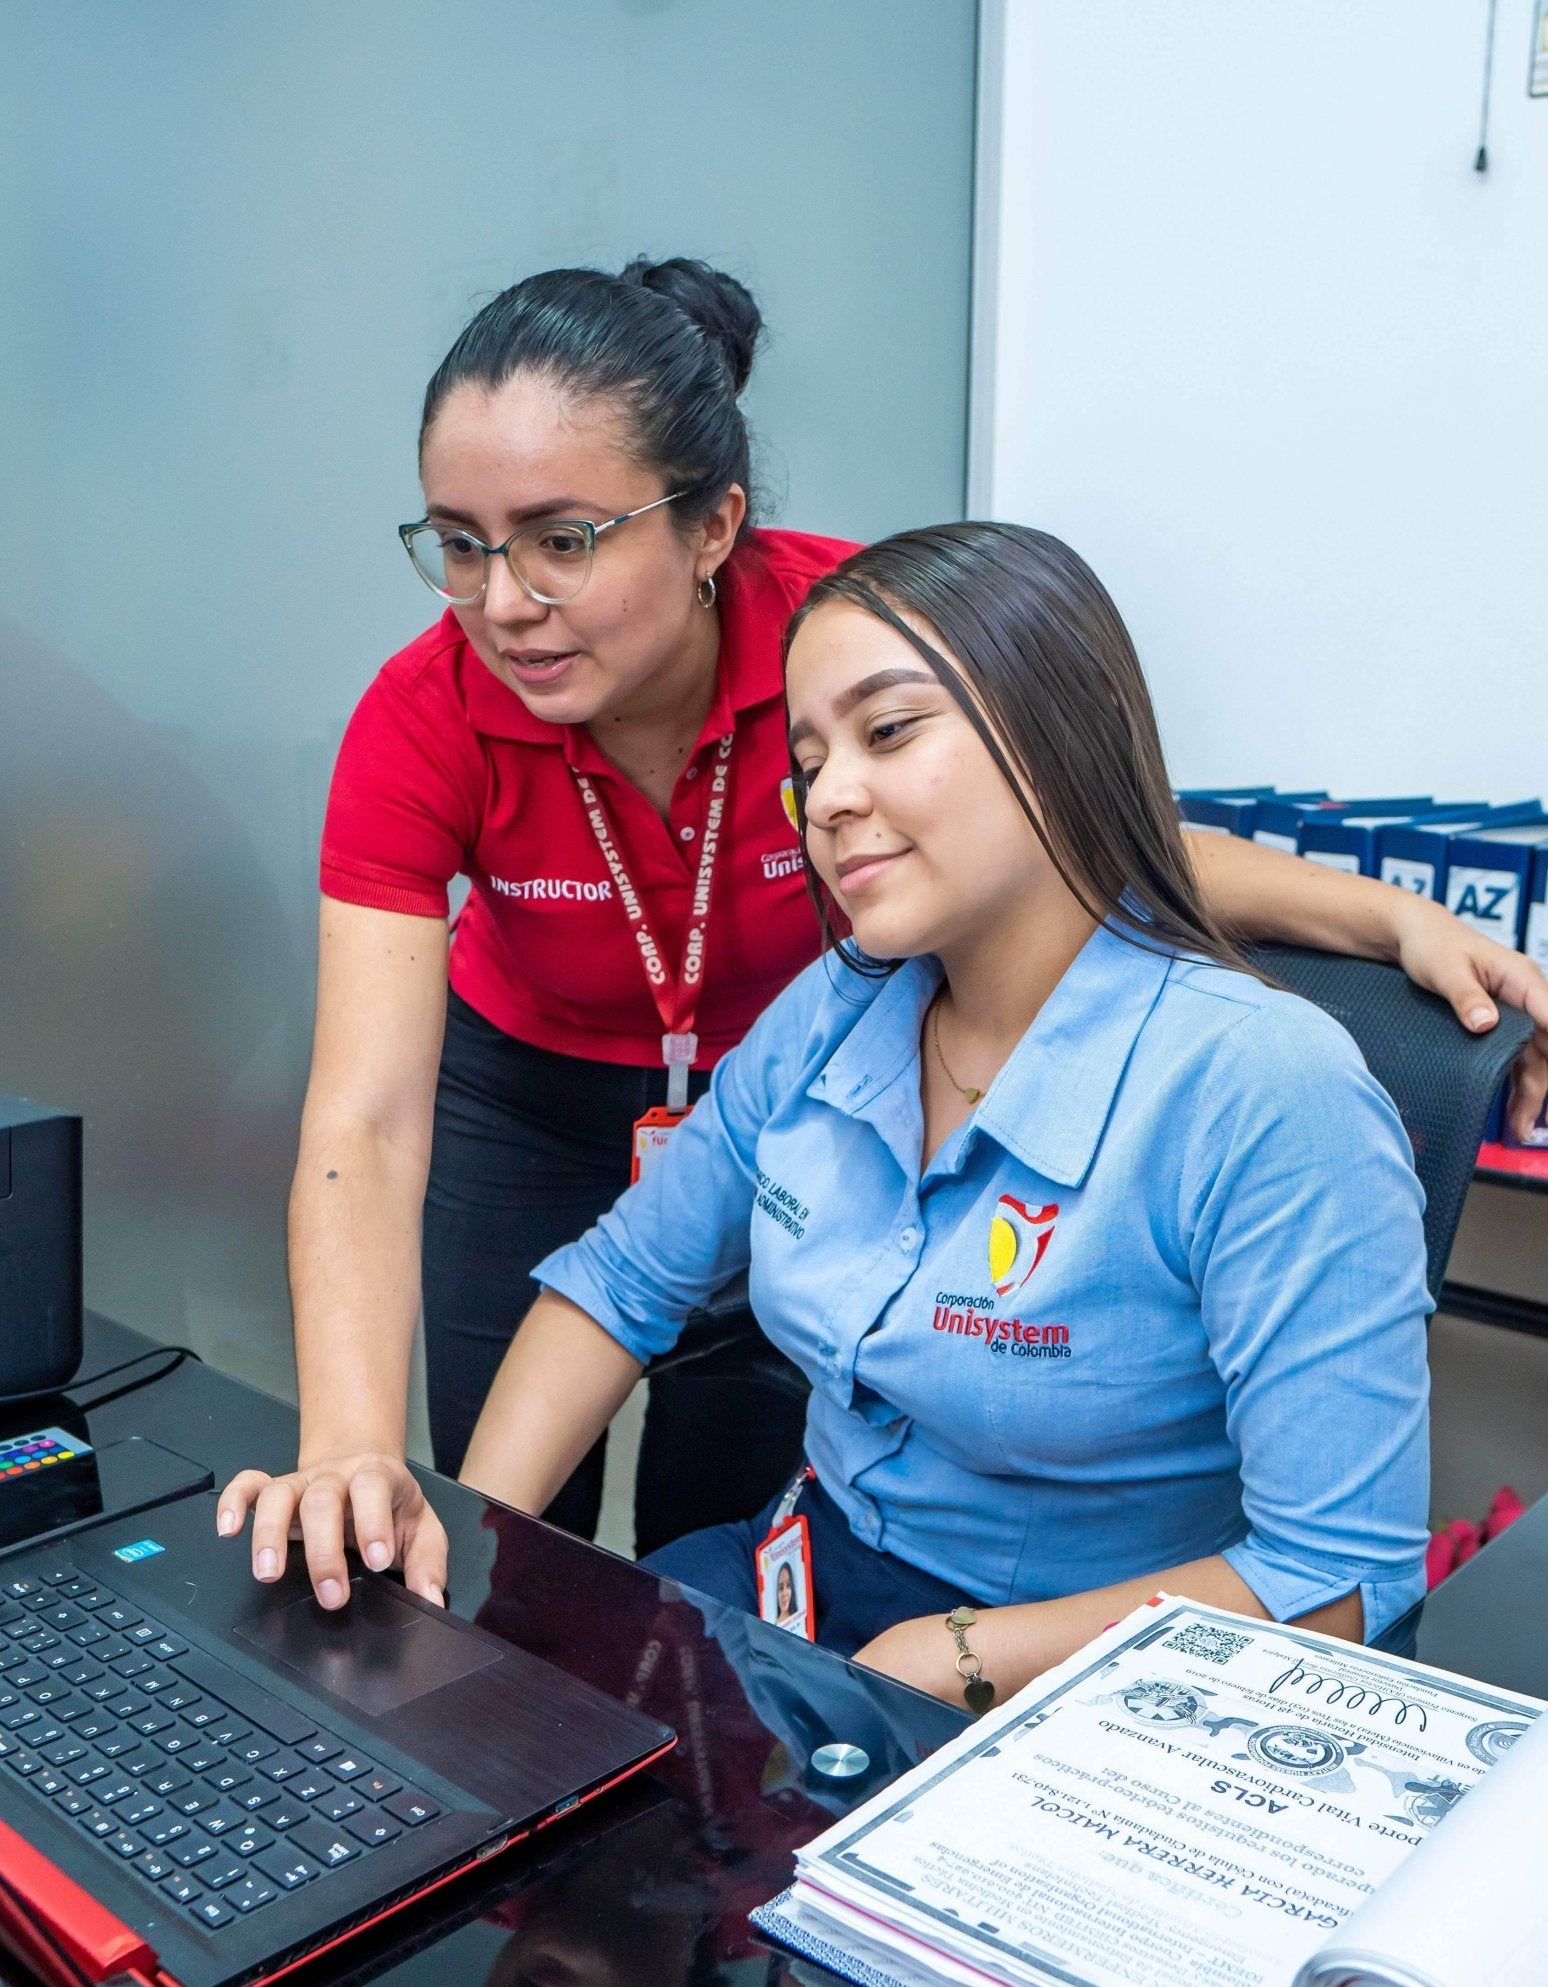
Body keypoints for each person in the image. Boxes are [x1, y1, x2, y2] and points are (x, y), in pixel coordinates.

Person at [218, 259, 1548, 1613]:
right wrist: (391, 1501)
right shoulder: (450, 724)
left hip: (787, 1133)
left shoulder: (853, 638)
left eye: (561, 539)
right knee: (545, 1553)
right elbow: (380, 1129)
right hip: (554, 1086)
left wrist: (1395, 917)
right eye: (459, 543)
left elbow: (1077, 831)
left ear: (711, 528)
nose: (501, 600)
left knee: (725, 1474)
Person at [452, 521, 1438, 1705]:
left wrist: (961, 1653)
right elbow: (618, 1284)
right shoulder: (836, 1008)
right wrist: (468, 1570)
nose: (829, 798)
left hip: (1089, 1669)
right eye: (810, 759)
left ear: (1055, 735)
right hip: (801, 1579)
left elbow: (1335, 1576)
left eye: (889, 730)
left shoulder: (1265, 1086)